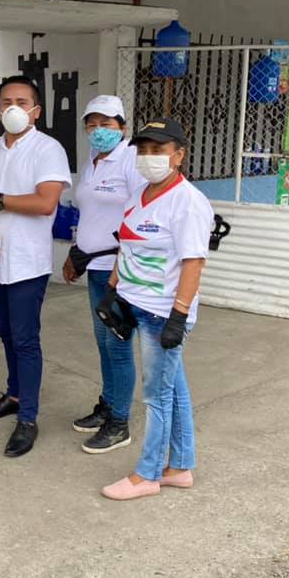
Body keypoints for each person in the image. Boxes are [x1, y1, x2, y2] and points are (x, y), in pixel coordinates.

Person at [99, 118, 213, 501]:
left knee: (156, 396)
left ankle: (147, 475)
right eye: (143, 150)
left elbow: (193, 263)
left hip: (162, 314)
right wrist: (112, 290)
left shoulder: (189, 202)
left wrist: (178, 317)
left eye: (158, 150)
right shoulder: (139, 194)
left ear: (178, 155)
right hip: (136, 305)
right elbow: (126, 245)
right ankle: (180, 467)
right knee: (173, 388)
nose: (149, 157)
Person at [0, 75, 71, 458]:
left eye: (22, 102)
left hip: (28, 261)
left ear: (36, 110)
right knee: (6, 333)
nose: (13, 108)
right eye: (6, 102)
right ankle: (14, 395)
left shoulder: (49, 149)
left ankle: (28, 418)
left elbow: (45, 203)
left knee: (25, 339)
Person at [62, 95, 145, 455]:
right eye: (92, 124)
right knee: (103, 341)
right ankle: (108, 405)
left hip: (119, 270)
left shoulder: (131, 160)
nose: (98, 130)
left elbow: (139, 215)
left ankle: (120, 423)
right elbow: (91, 214)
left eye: (107, 124)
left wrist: (120, 266)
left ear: (122, 127)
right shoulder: (93, 161)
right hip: (94, 267)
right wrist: (76, 251)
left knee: (118, 343)